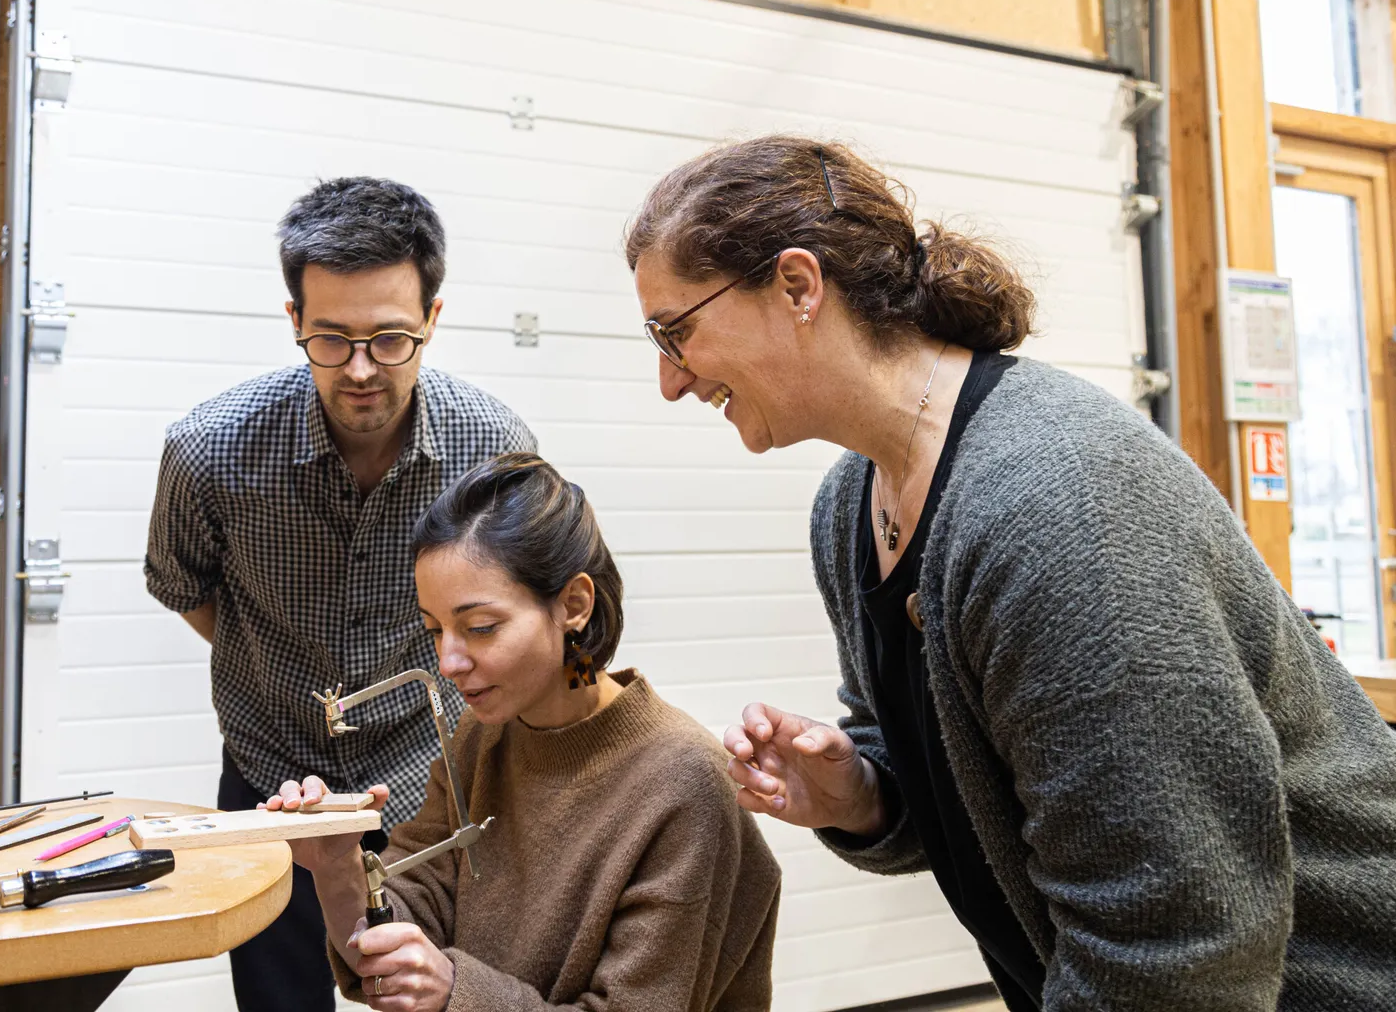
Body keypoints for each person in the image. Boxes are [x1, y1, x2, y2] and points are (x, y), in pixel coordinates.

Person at [625, 134, 1396, 1010]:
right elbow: (983, 793)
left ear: (798, 286)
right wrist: (862, 793)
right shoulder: (851, 511)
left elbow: (1178, 942)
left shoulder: (1058, 504)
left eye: (676, 331)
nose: (669, 381)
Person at [144, 177, 534, 1011]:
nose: (361, 370)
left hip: (438, 778)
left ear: (433, 318)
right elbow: (186, 587)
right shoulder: (209, 451)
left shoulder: (495, 447)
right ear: (294, 320)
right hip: (271, 778)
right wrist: (279, 669)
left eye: (391, 339)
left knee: (445, 993)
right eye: (330, 340)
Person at [263, 453, 781, 1011]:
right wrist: (338, 867)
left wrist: (455, 992)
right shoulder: (481, 734)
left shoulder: (683, 785)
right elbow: (405, 930)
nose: (449, 661)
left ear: (574, 605)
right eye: (435, 630)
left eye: (480, 628)